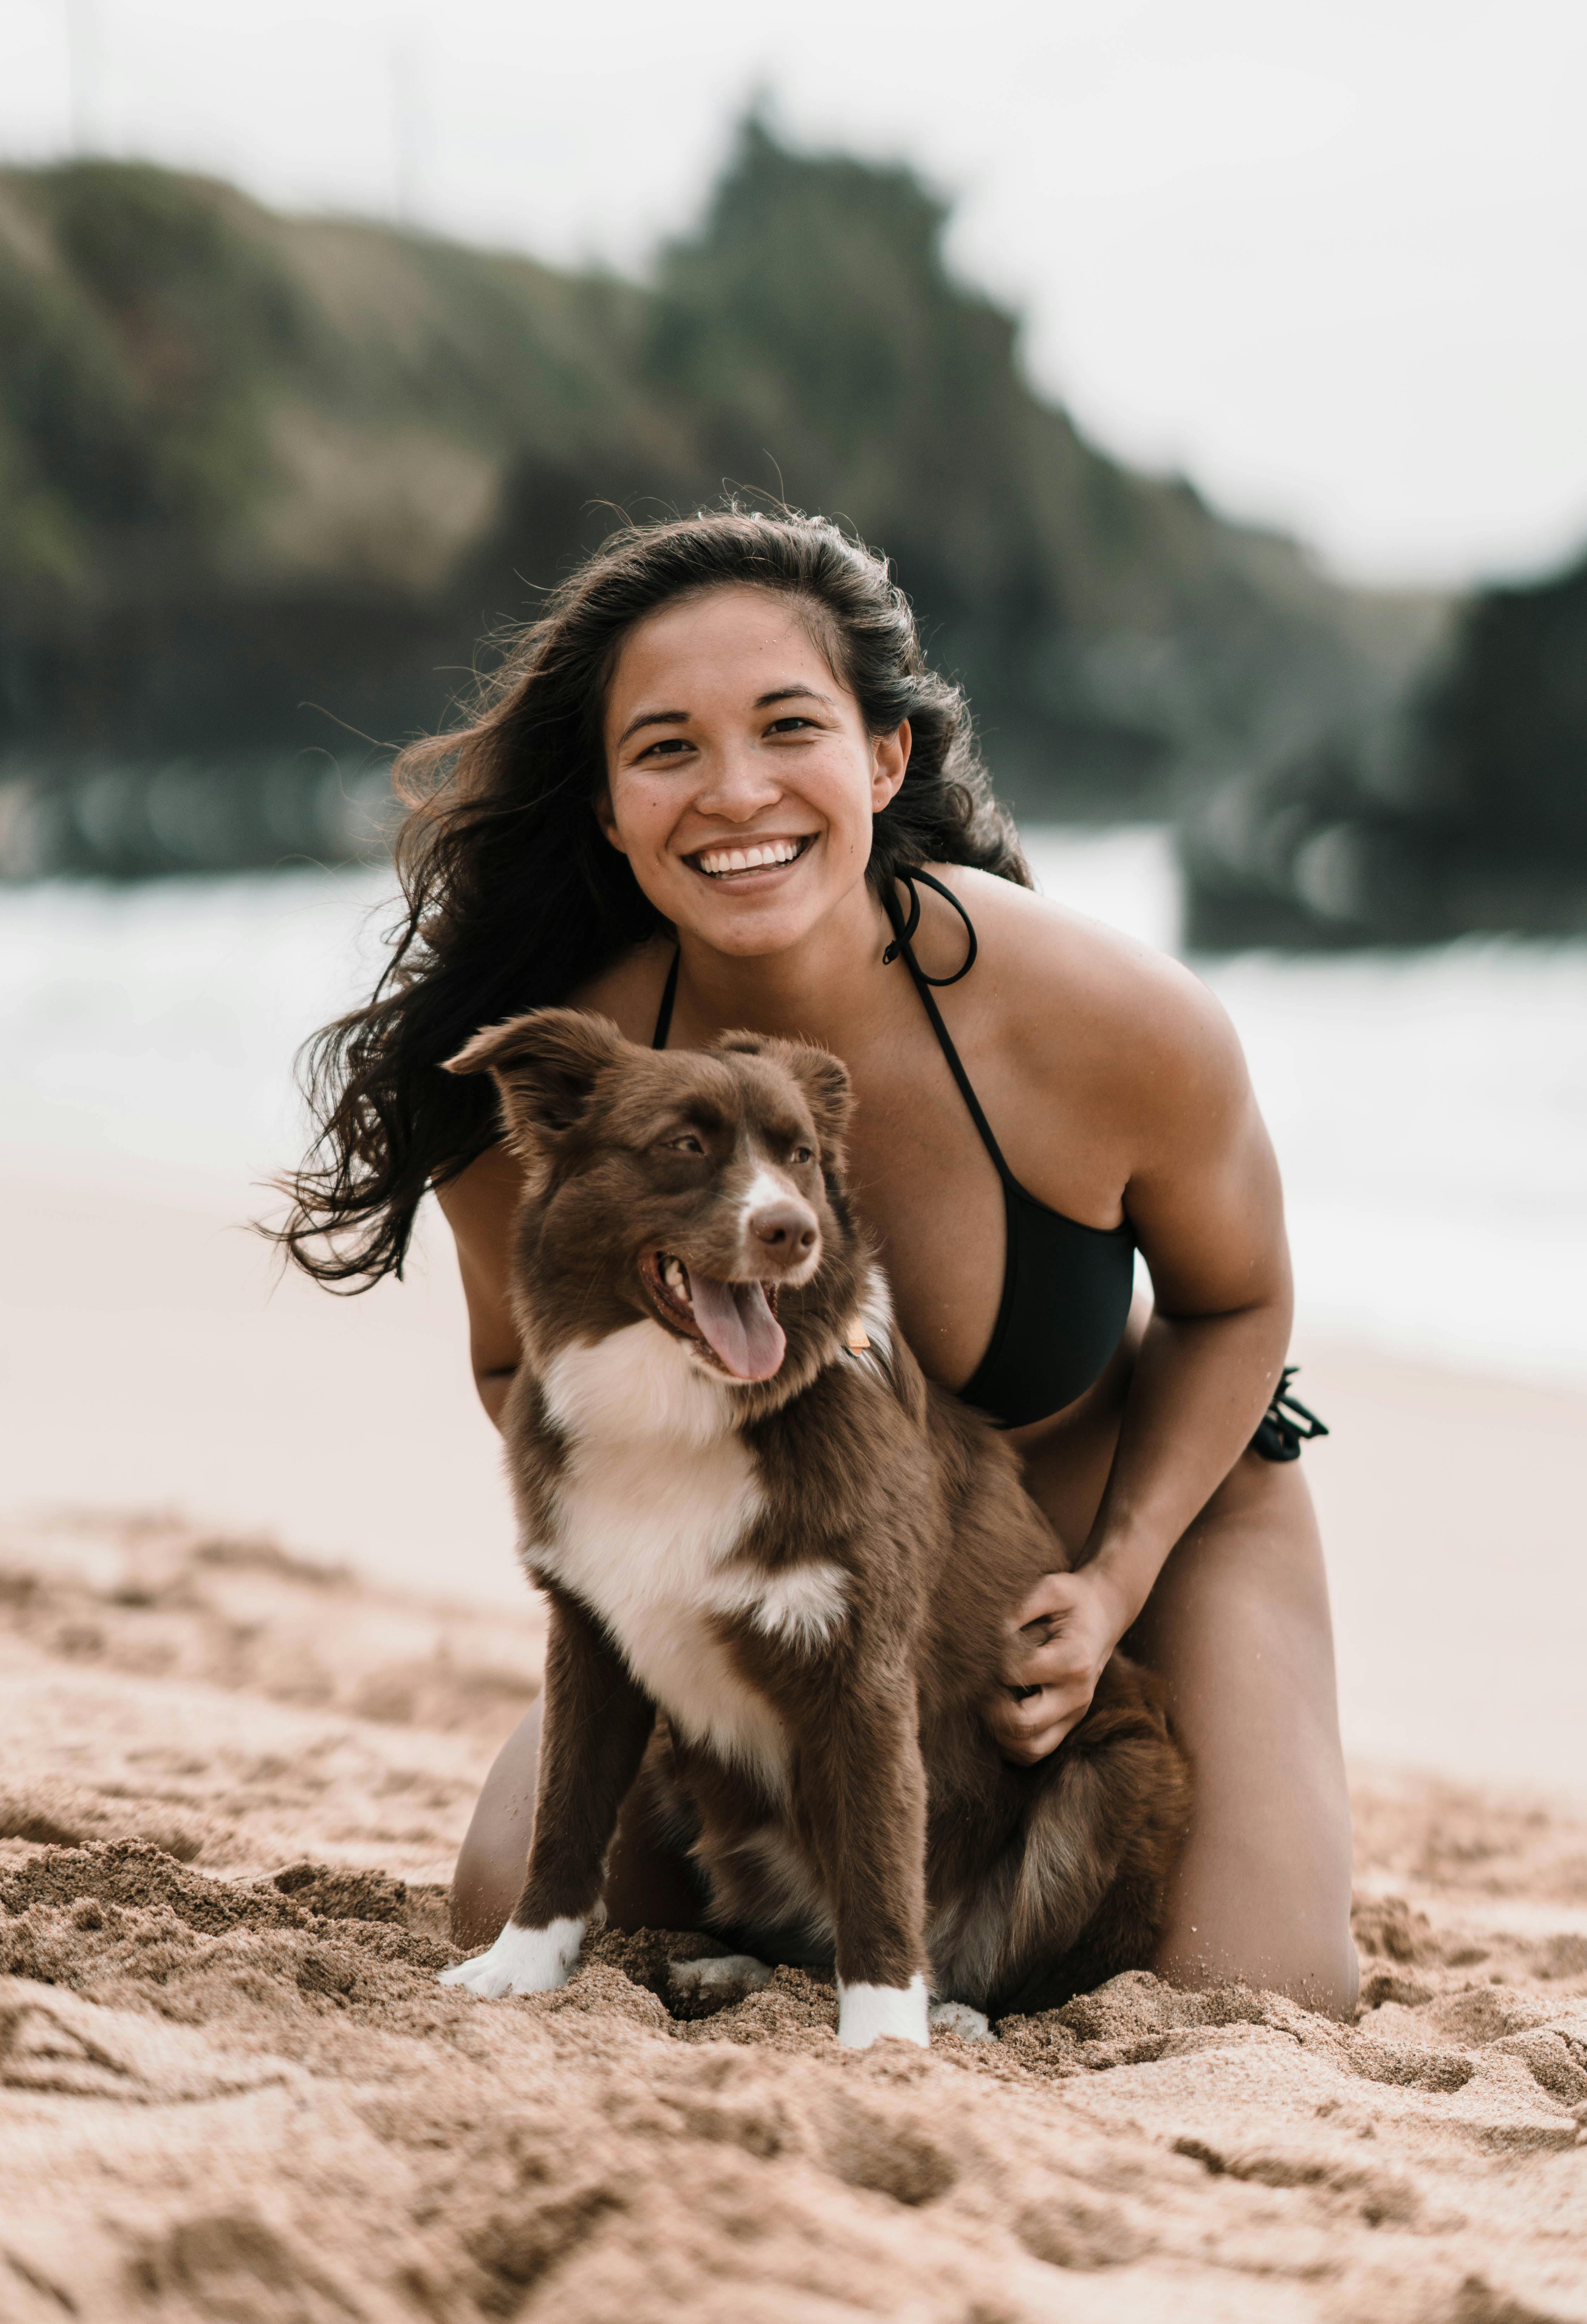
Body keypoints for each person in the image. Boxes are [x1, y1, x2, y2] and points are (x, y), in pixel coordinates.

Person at [279, 507, 1359, 2017]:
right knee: (505, 1889)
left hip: (1131, 1529)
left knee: (1267, 1988)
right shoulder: (553, 1097)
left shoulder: (1106, 1020)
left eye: (791, 727)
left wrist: (1111, 1580)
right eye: (666, 748)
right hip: (766, 1564)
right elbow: (519, 1368)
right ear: (605, 801)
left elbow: (1236, 1299)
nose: (735, 792)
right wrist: (713, 1569)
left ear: (886, 759)